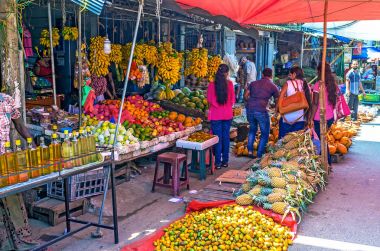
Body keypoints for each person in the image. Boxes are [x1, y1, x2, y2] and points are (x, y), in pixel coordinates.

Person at [0, 92, 37, 250]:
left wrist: (34, 147)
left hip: (5, 159)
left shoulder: (7, 100)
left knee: (13, 195)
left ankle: (22, 236)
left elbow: (20, 126)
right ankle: (5, 242)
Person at [244, 68, 279, 158]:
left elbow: (245, 96)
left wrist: (252, 102)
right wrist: (275, 110)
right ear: (271, 76)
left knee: (252, 130)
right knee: (265, 133)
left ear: (262, 74)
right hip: (261, 111)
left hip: (250, 109)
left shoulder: (253, 83)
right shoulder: (273, 86)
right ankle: (259, 155)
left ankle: (250, 152)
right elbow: (277, 100)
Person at [207, 64, 235, 169]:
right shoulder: (230, 84)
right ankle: (225, 161)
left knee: (217, 138)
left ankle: (217, 163)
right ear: (227, 73)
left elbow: (209, 101)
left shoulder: (211, 85)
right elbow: (232, 101)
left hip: (215, 115)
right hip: (227, 115)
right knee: (225, 138)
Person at [311, 63, 338, 164]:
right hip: (330, 117)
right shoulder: (333, 84)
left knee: (321, 141)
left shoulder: (318, 85)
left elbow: (315, 103)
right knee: (323, 139)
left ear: (320, 72)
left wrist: (310, 118)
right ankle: (328, 162)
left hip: (319, 117)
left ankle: (325, 163)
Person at [278, 66, 312, 138]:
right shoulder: (305, 85)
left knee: (283, 141)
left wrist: (279, 109)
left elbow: (280, 97)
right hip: (300, 118)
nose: (289, 76)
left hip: (287, 118)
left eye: (290, 74)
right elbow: (309, 100)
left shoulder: (288, 83)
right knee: (296, 142)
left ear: (294, 74)